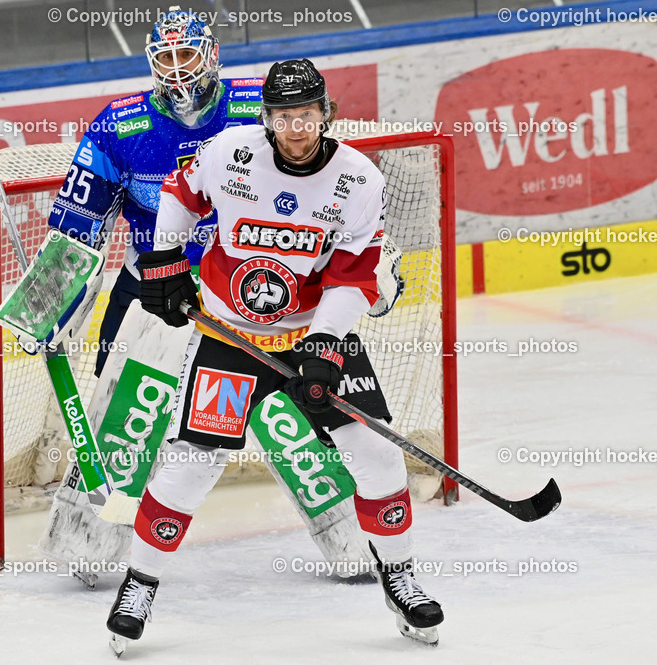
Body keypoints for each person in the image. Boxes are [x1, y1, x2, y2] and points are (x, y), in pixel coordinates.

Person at [105, 58, 444, 653]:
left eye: (307, 114)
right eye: (284, 116)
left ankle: (400, 575)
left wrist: (323, 345)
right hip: (229, 339)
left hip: (314, 337)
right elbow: (180, 195)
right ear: (267, 118)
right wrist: (163, 258)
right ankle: (139, 584)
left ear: (326, 114)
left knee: (377, 456)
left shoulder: (359, 181)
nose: (295, 127)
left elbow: (352, 277)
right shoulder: (230, 152)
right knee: (191, 465)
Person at [39, 6, 264, 584]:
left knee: (282, 405)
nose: (175, 69)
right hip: (153, 291)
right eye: (163, 57)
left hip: (245, 291)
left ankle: (348, 522)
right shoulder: (120, 124)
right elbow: (77, 223)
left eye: (185, 54)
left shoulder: (257, 108)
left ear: (211, 54)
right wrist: (51, 301)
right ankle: (95, 539)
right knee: (128, 411)